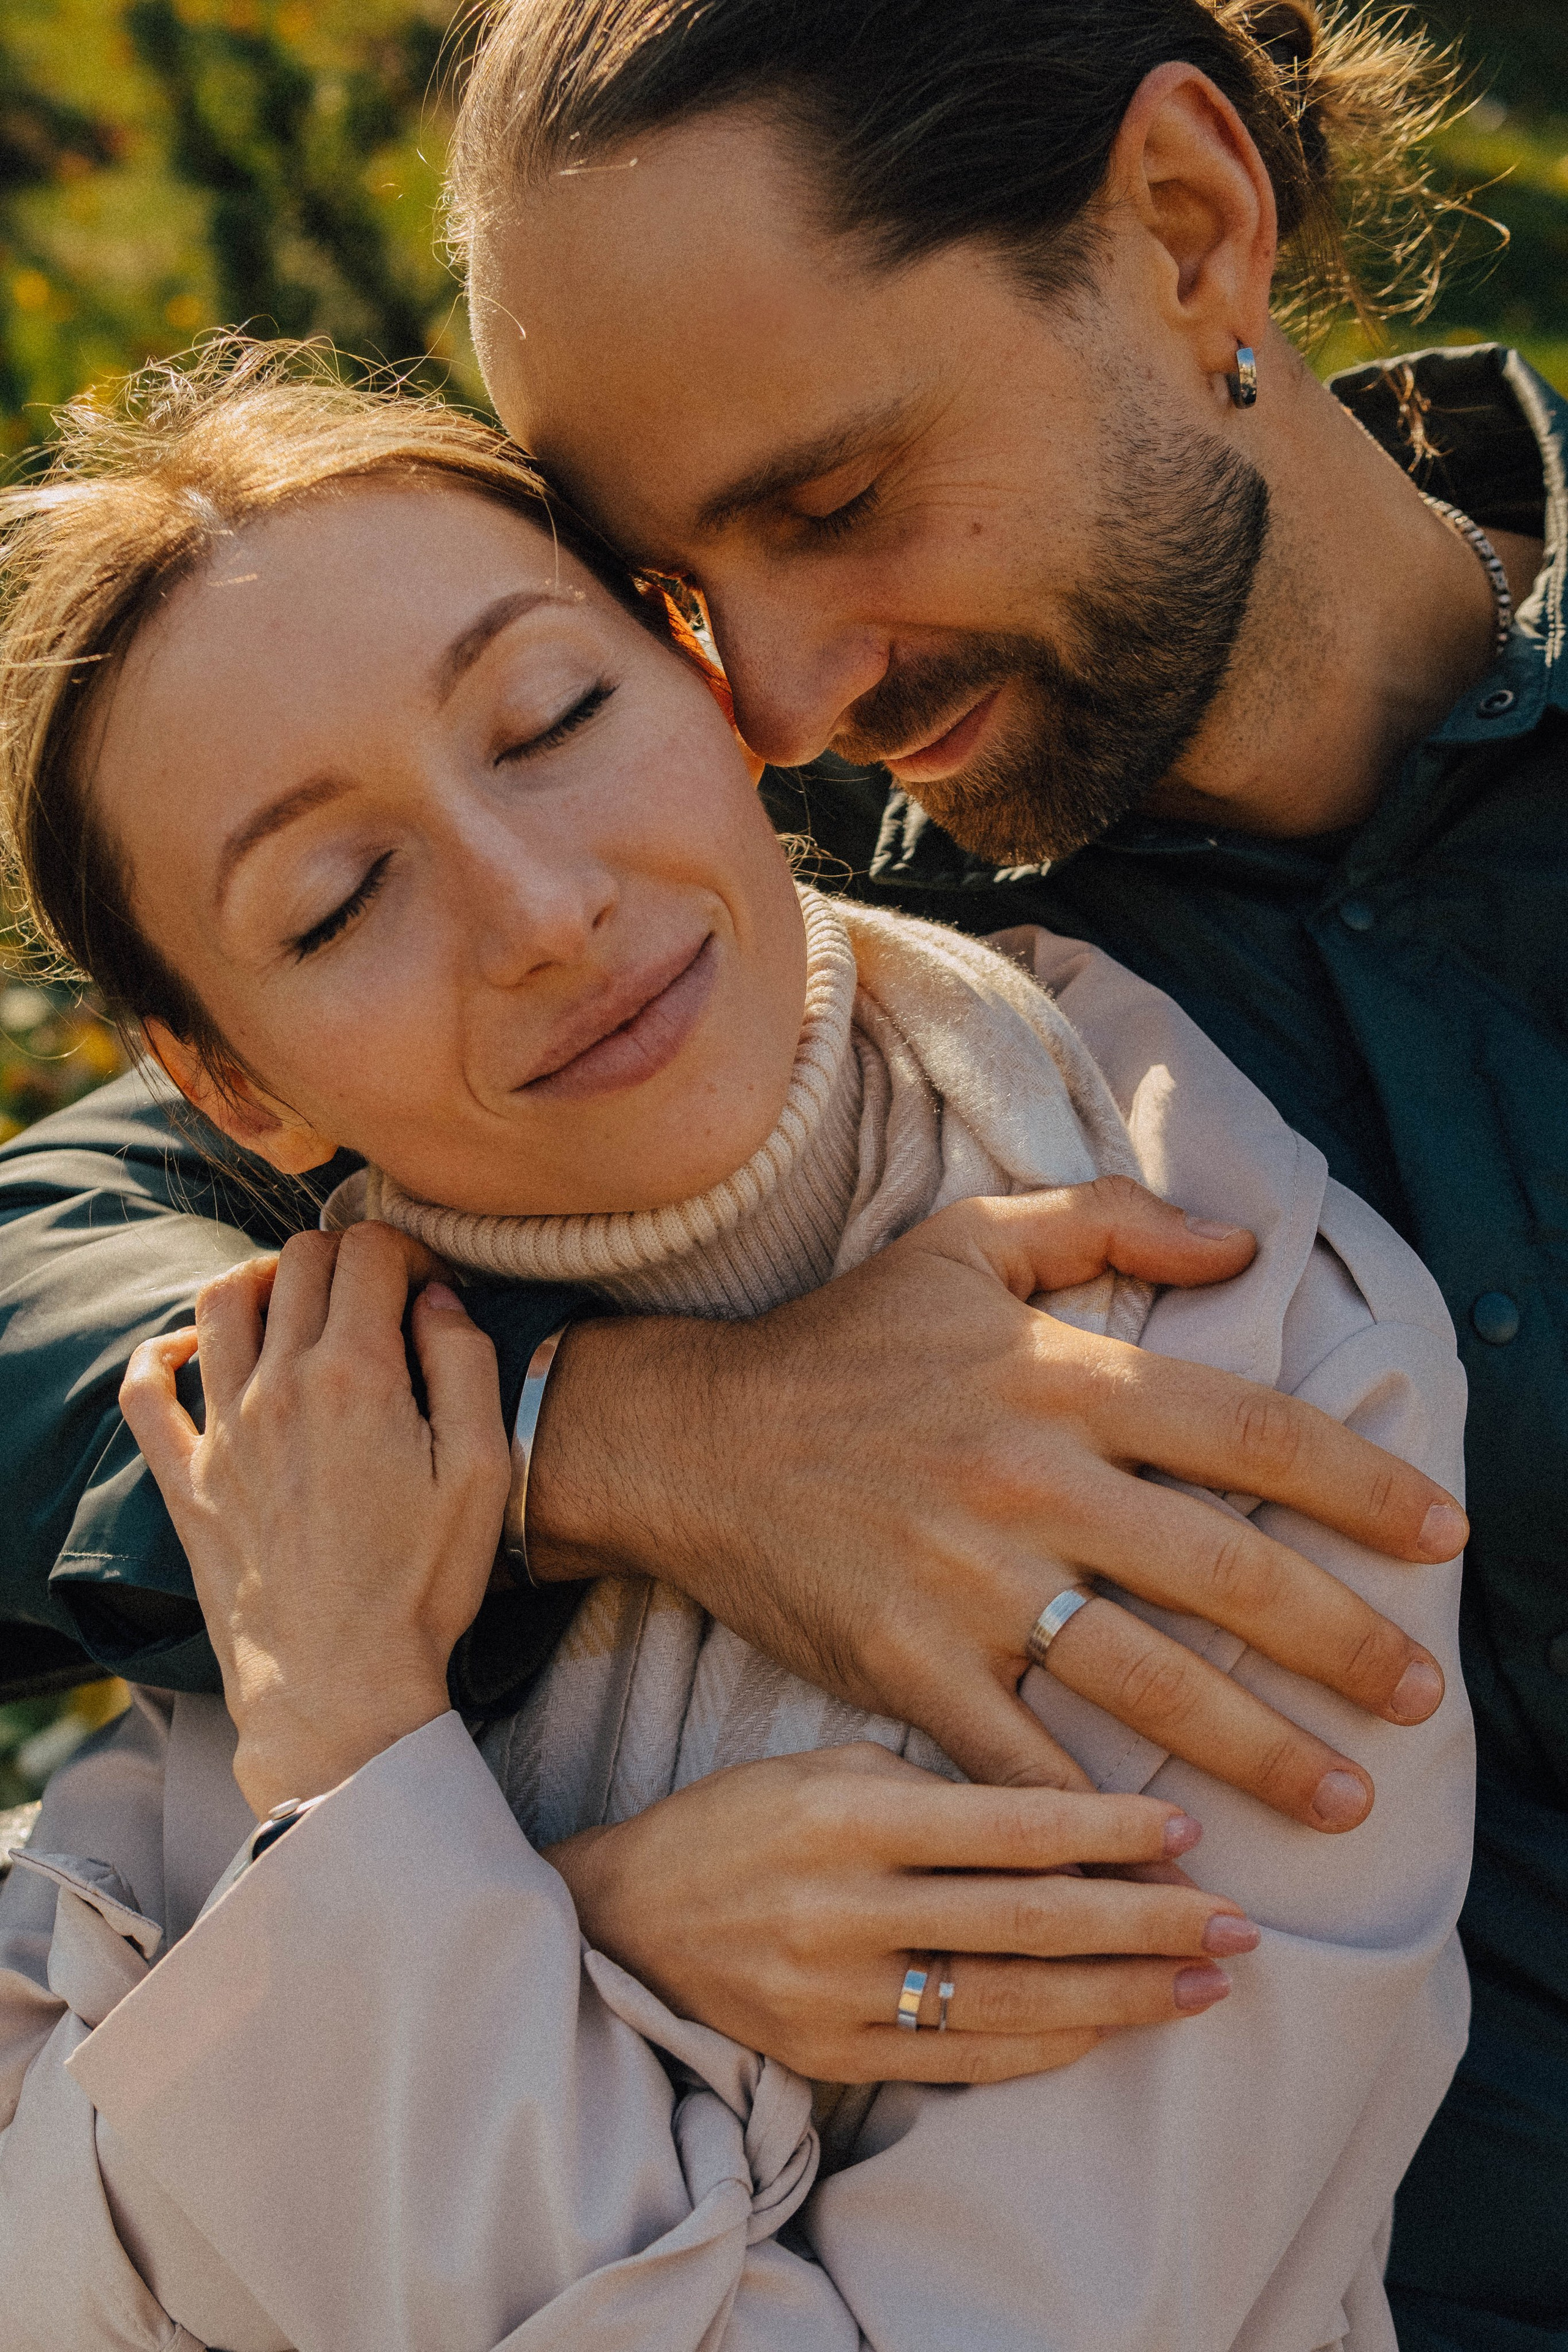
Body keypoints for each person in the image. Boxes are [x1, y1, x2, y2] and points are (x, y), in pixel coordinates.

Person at [0, 0, 1553, 2339]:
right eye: (674, 594)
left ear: (1188, 229)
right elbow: (59, 1262)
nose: (786, 688)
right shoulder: (756, 927)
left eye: (831, 503)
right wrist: (616, 1439)